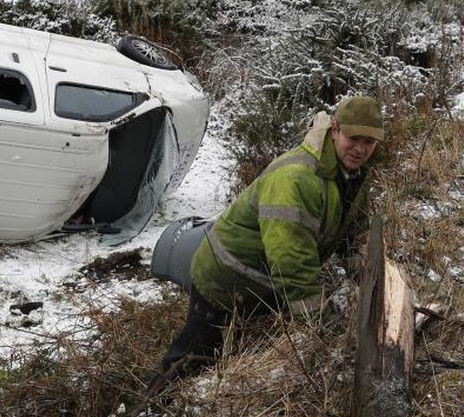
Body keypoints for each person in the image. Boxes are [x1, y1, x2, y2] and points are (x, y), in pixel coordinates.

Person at [159, 94, 385, 378]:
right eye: (354, 138)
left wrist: (364, 277)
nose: (361, 149)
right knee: (194, 358)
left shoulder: (353, 174)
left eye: (370, 142)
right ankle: (153, 409)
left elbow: (353, 231)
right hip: (226, 277)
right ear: (335, 129)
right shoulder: (297, 178)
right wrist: (320, 329)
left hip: (262, 283)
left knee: (234, 354)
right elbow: (291, 262)